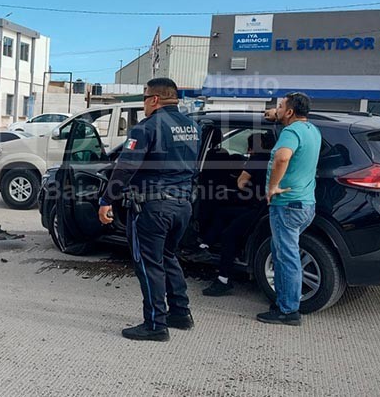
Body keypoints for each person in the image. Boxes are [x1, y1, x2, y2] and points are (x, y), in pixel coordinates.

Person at [98, 78, 200, 342]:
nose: (143, 103)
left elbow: (126, 167)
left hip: (153, 207)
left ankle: (155, 324)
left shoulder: (147, 127)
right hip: (182, 204)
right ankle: (180, 313)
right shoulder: (193, 126)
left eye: (144, 98)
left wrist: (107, 199)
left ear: (154, 99)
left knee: (149, 264)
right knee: (168, 256)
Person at [257, 92, 321, 326]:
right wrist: (276, 115)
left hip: (287, 205)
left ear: (291, 112)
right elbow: (284, 118)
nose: (278, 108)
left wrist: (273, 186)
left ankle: (288, 310)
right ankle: (283, 300)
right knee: (282, 251)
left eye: (281, 106)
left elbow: (282, 158)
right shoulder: (312, 130)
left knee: (286, 257)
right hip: (305, 203)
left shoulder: (291, 132)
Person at [202, 132, 273, 296]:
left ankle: (223, 279)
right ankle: (205, 243)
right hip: (263, 207)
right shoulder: (272, 159)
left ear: (251, 148)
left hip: (258, 210)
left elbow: (241, 183)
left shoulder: (254, 161)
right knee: (224, 213)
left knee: (229, 235)